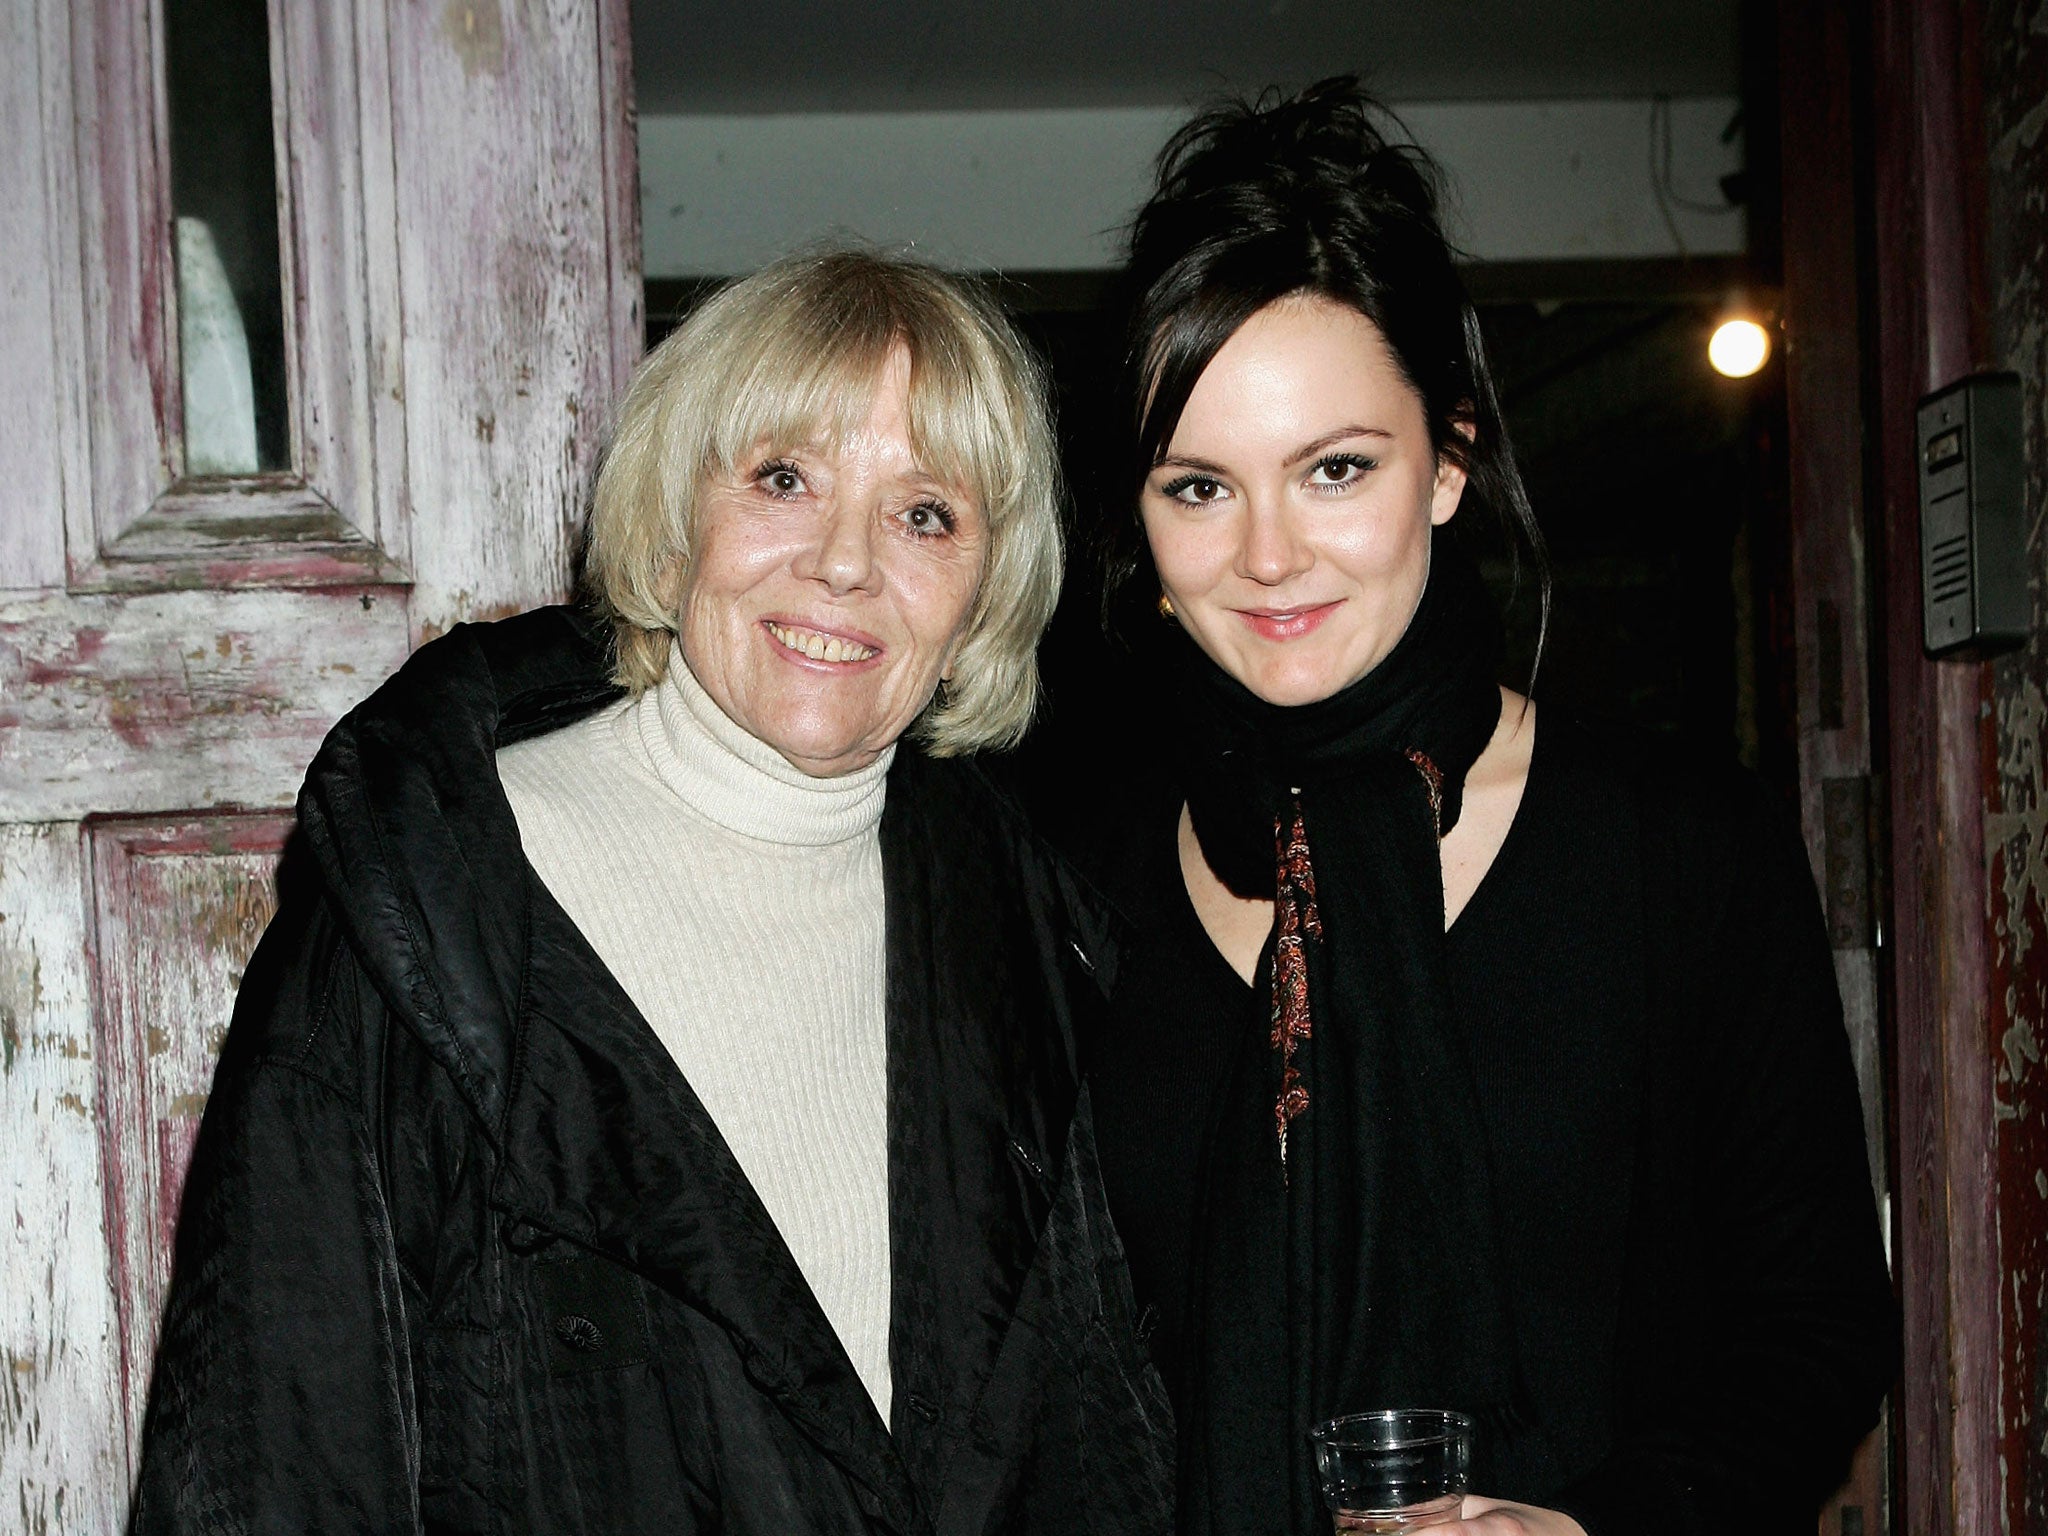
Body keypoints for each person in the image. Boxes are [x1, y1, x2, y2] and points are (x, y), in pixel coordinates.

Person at [130, 250, 1173, 1535]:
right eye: (783, 478)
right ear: (676, 520)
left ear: (981, 595)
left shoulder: (1037, 944)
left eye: (924, 515)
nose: (846, 563)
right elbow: (271, 1465)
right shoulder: (432, 898)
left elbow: (1108, 1458)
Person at [1062, 80, 1898, 1536]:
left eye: (1335, 469)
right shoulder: (1079, 883)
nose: (1267, 556)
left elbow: (1815, 1331)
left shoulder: (1675, 846)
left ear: (1447, 460)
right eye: (1199, 487)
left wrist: (1598, 1526)